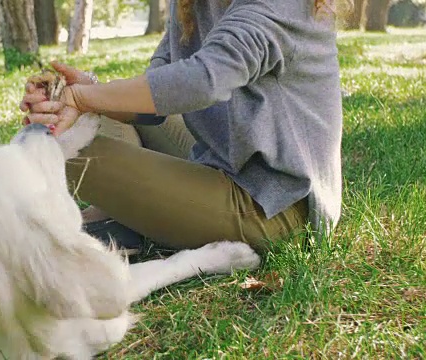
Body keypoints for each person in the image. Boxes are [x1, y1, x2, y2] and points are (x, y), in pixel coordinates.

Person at [20, 0, 343, 253]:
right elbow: (160, 86)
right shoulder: (191, 4)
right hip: (223, 161)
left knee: (54, 151)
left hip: (276, 207)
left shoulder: (281, 6)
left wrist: (84, 98)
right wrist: (86, 92)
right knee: (92, 119)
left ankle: (130, 216)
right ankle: (131, 217)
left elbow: (202, 80)